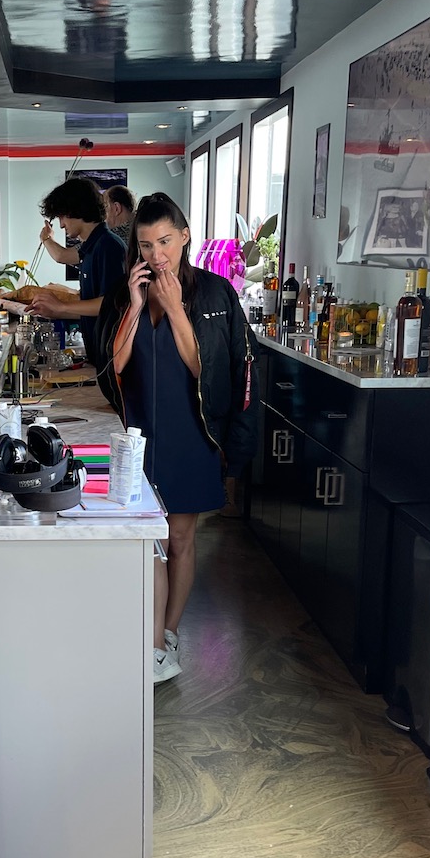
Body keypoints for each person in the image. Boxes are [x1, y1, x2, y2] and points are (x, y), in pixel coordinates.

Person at [110, 192, 261, 684]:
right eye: (147, 244)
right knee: (144, 539)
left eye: (166, 241)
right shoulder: (126, 290)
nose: (157, 255)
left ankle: (167, 634)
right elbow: (113, 366)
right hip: (141, 437)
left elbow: (212, 374)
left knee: (180, 538)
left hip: (192, 434)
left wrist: (175, 311)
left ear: (185, 235)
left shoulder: (216, 296)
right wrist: (135, 307)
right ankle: (147, 633)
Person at [28, 177, 127, 407]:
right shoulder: (91, 246)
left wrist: (61, 307)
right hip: (98, 352)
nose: (62, 224)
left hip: (111, 353)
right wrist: (56, 312)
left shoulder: (108, 246)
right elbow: (63, 257)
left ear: (76, 210)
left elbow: (113, 303)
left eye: (63, 216)